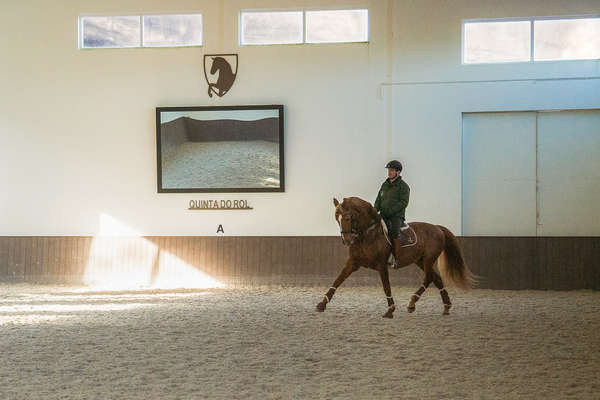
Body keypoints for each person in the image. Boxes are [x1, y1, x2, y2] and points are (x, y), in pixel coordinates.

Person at [374, 160, 411, 267]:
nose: (389, 172)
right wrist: (374, 210)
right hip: (383, 214)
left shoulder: (404, 186)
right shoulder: (384, 184)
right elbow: (378, 199)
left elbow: (404, 202)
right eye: (389, 170)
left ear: (398, 172)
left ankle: (396, 258)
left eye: (392, 170)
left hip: (396, 216)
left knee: (394, 232)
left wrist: (390, 211)